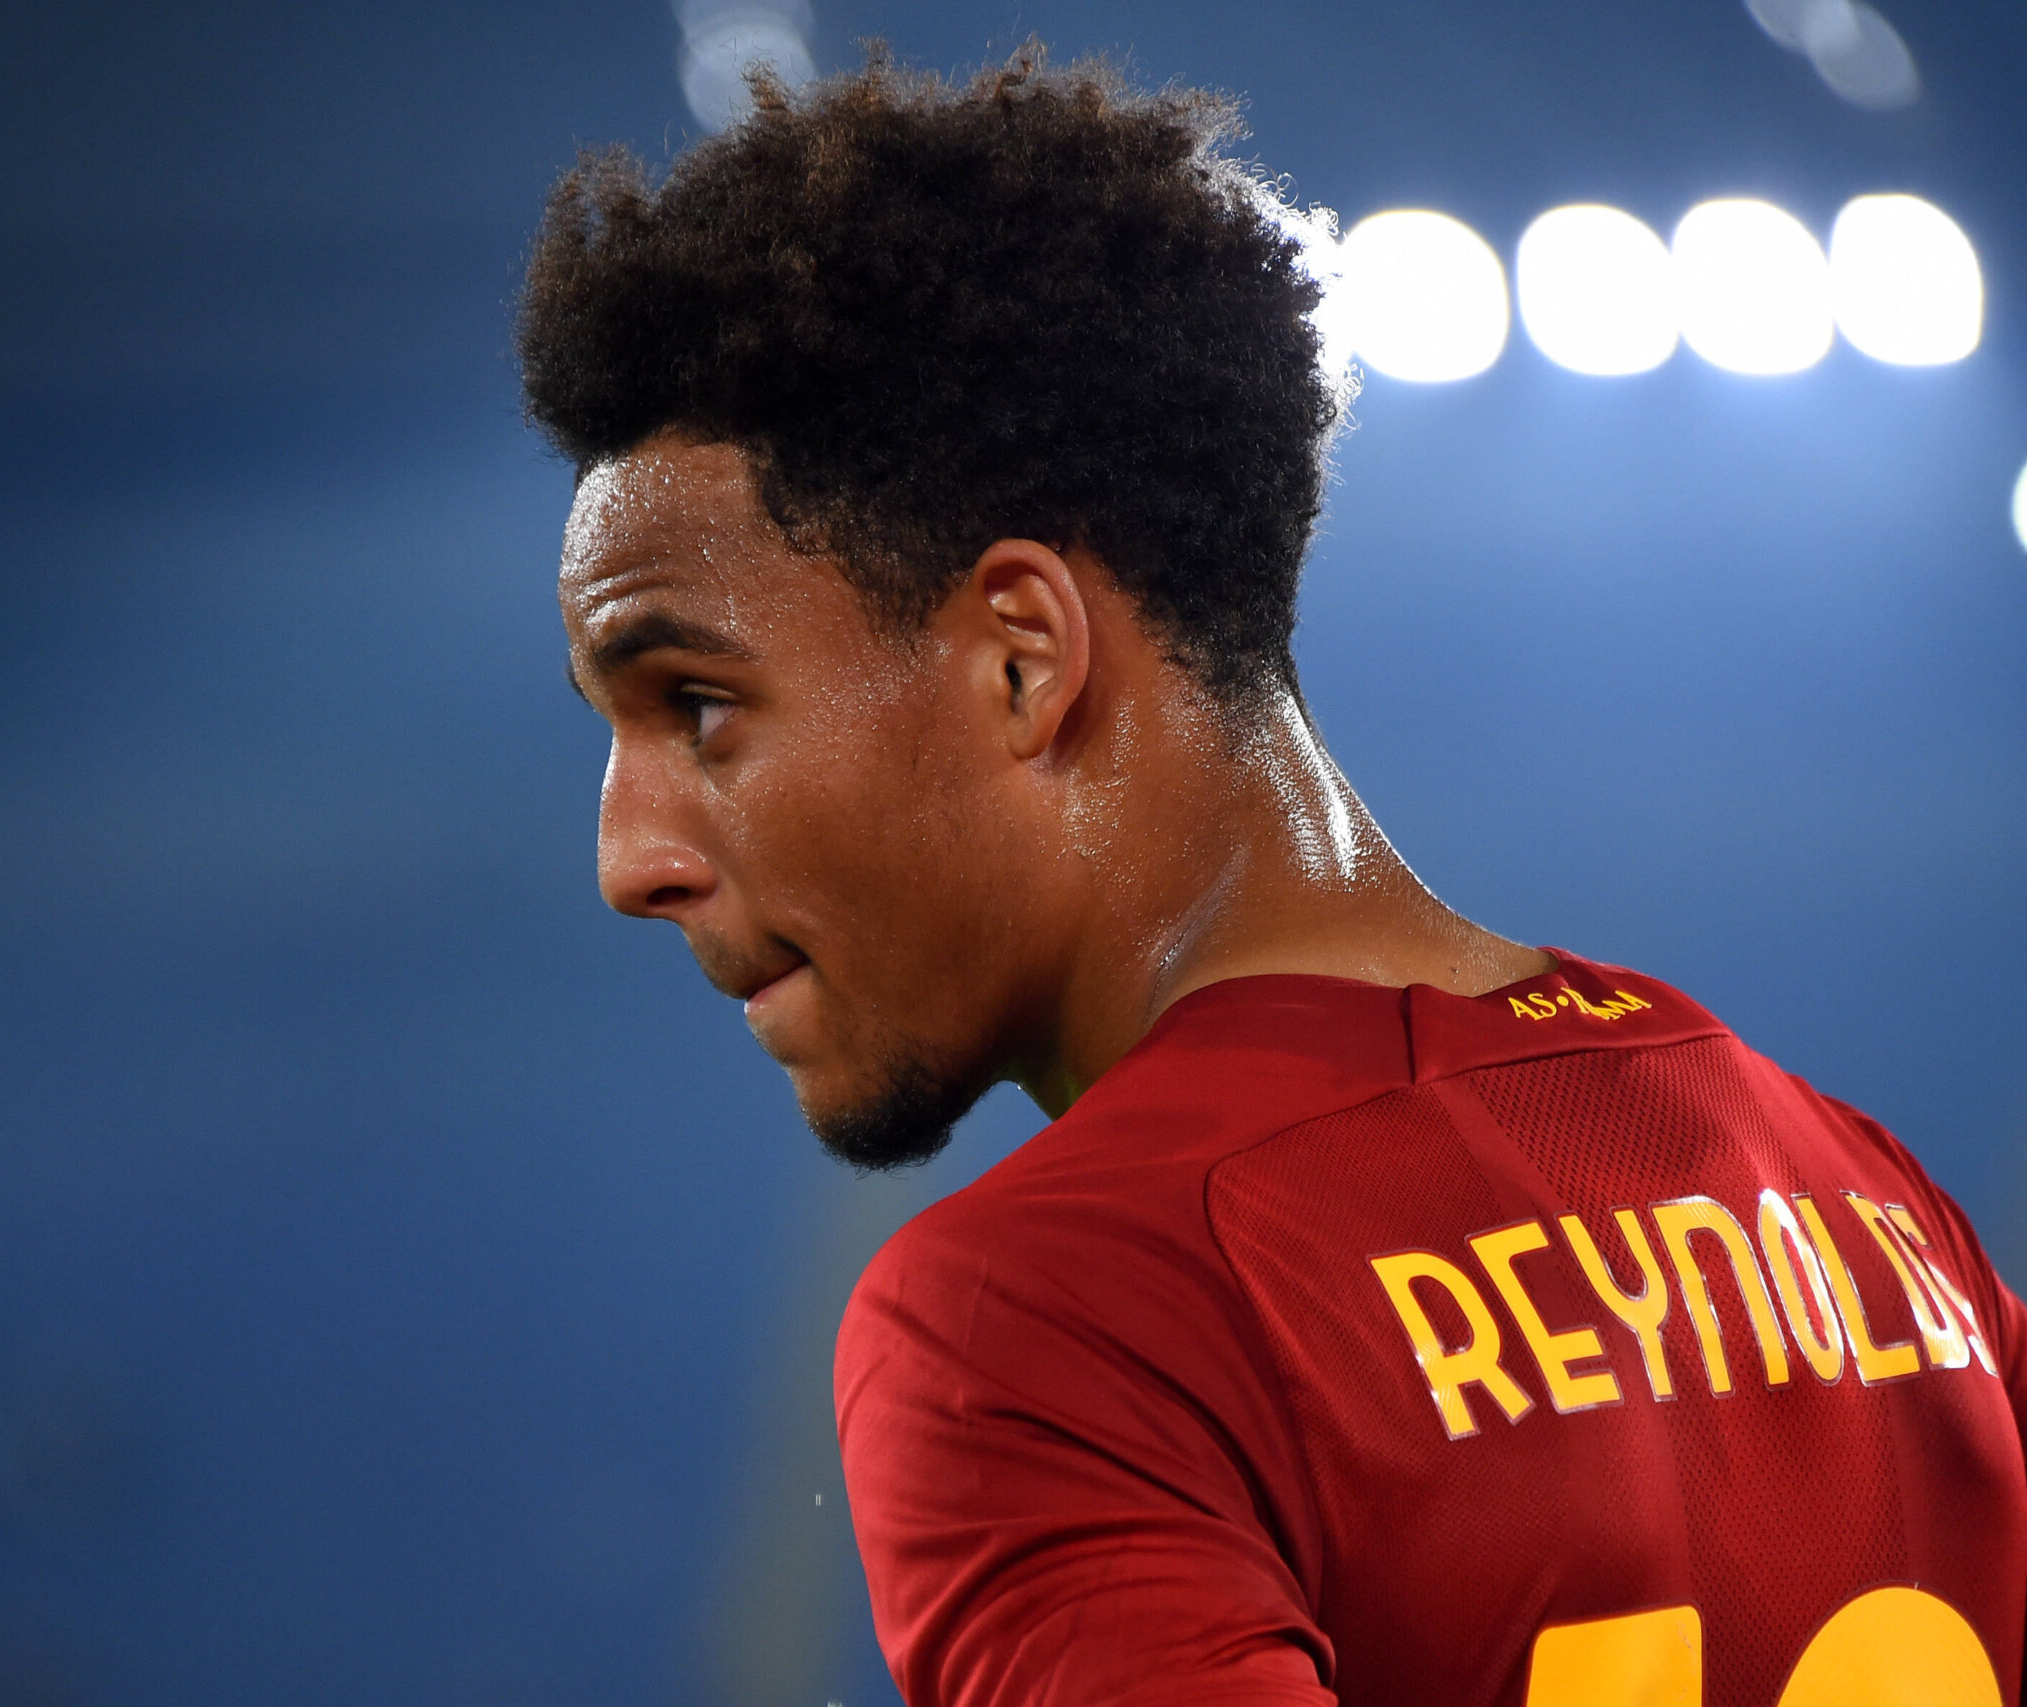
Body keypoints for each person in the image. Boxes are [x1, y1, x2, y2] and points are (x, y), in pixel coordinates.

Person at [519, 44, 2027, 1707]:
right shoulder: (1859, 1198)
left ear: (1023, 659)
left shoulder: (1046, 1322)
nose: (629, 859)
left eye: (698, 706)